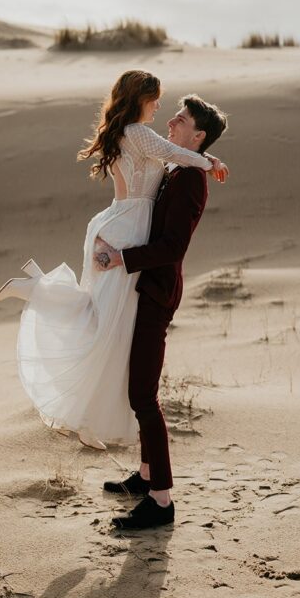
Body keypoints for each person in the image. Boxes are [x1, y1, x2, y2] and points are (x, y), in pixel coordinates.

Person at [0, 70, 228, 450]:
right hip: (128, 229)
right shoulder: (138, 133)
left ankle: (87, 412)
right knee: (106, 326)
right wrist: (207, 161)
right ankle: (41, 291)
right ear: (140, 99)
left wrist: (201, 157)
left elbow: (170, 161)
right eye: (154, 99)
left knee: (103, 318)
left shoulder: (128, 134)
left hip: (119, 223)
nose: (159, 110)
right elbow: (174, 155)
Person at [97, 94, 228, 529]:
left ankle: (162, 501)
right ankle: (147, 474)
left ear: (199, 134)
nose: (171, 120)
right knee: (141, 392)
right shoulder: (183, 166)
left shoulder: (191, 179)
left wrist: (122, 259)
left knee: (143, 396)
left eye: (183, 118)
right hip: (144, 287)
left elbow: (173, 247)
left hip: (156, 292)